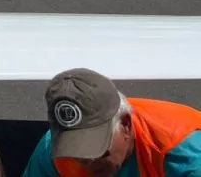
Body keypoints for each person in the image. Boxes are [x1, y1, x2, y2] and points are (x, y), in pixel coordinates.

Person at [22, 68, 201, 177]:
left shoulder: (184, 152)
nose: (89, 165)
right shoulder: (52, 152)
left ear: (125, 124)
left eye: (97, 152)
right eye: (79, 156)